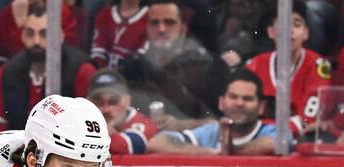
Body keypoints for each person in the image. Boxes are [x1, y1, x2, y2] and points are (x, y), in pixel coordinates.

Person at [0, 3, 95, 130]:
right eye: (30, 34)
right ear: (22, 36)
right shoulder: (7, 72)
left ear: (60, 36)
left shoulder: (82, 70)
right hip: (20, 140)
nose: (36, 41)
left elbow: (90, 123)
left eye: (44, 34)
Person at [119, 0, 222, 120]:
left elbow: (217, 119)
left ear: (182, 29)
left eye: (169, 22)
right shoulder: (134, 66)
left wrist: (182, 125)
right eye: (154, 23)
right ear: (147, 29)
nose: (161, 29)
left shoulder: (208, 66)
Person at [245, 0, 333, 138]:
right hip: (256, 137)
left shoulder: (320, 65)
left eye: (296, 25)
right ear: (271, 32)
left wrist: (268, 130)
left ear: (306, 33)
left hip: (300, 138)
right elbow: (244, 113)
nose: (290, 30)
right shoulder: (253, 65)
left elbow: (308, 120)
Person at [148, 69, 276, 154]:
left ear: (261, 107)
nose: (239, 103)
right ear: (221, 103)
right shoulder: (211, 132)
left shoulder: (272, 131)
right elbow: (158, 142)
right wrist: (208, 153)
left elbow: (271, 144)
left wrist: (229, 153)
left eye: (247, 99)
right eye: (233, 97)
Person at [86, 67, 156, 155]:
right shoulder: (82, 120)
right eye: (99, 102)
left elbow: (129, 145)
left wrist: (97, 132)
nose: (107, 109)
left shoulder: (143, 123)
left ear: (127, 100)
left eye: (114, 101)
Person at [89, 0, 147, 70]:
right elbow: (98, 51)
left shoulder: (150, 19)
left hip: (131, 74)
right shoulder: (105, 15)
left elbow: (140, 59)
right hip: (102, 73)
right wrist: (103, 72)